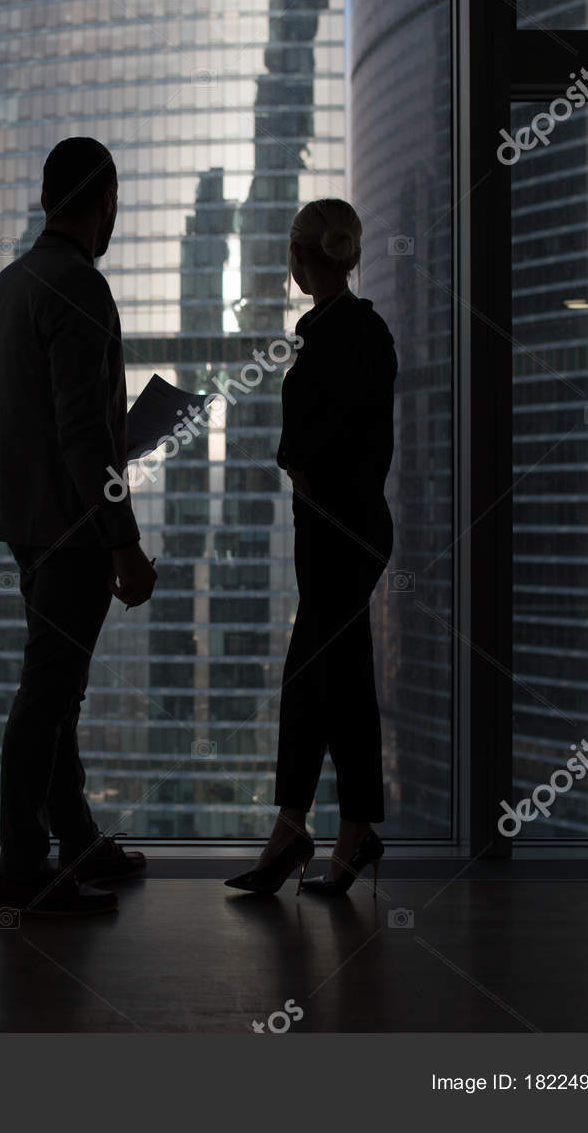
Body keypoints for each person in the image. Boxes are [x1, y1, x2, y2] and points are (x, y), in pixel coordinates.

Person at [0, 137, 158, 918]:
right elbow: (84, 434)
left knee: (58, 692)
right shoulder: (81, 286)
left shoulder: (5, 288)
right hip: (75, 524)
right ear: (106, 202)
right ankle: (23, 868)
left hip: (23, 519)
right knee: (47, 696)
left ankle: (75, 839)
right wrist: (125, 543)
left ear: (47, 198)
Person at [225, 198, 397, 897]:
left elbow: (307, 445)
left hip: (333, 535)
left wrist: (295, 460)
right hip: (354, 530)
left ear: (299, 258)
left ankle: (295, 828)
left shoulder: (328, 336)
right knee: (342, 678)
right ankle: (348, 832)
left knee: (312, 677)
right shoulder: (366, 330)